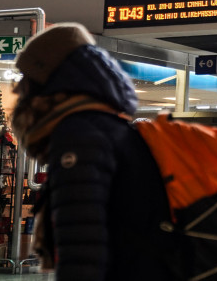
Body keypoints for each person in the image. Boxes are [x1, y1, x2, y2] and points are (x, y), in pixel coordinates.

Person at [10, 22, 175, 280]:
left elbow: (82, 242)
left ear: (49, 79)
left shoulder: (80, 135)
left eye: (26, 78)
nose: (18, 89)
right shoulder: (110, 128)